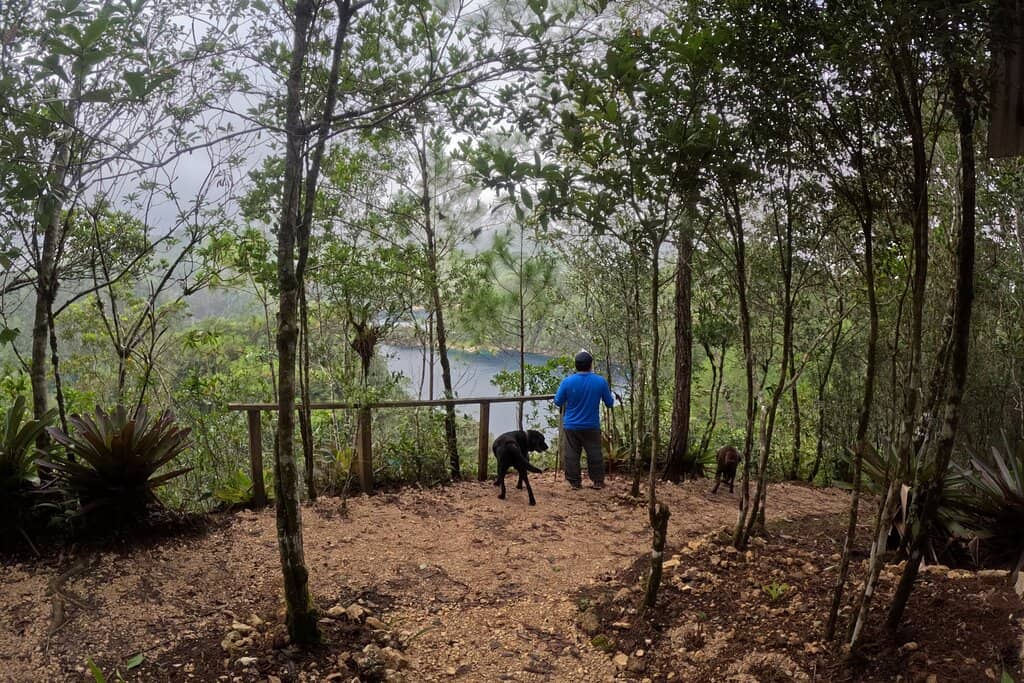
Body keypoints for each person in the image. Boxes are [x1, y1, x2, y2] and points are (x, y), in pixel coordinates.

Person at [554, 350, 616, 490]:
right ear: (590, 365)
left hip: (571, 425)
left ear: (576, 365)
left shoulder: (567, 382)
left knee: (571, 454)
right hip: (591, 425)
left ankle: (574, 482)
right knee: (594, 453)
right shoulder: (600, 381)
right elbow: (610, 403)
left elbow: (558, 401)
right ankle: (598, 481)